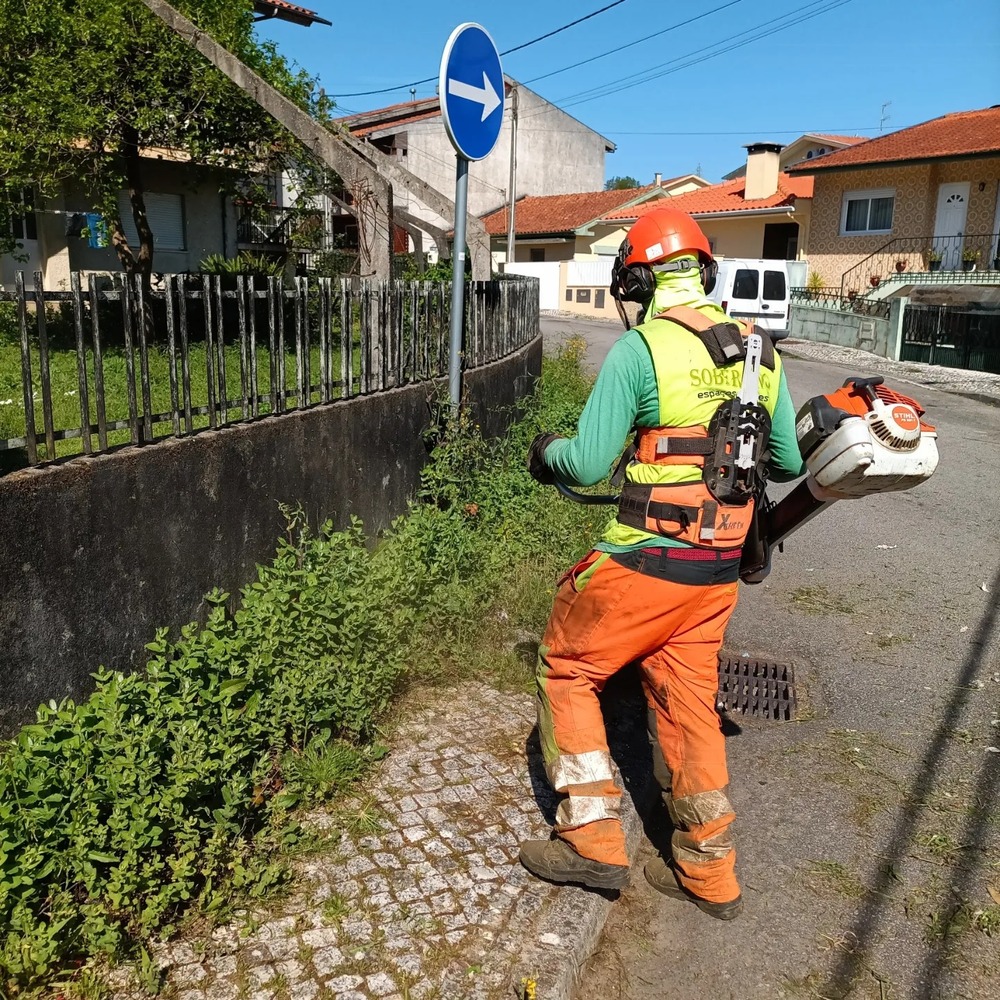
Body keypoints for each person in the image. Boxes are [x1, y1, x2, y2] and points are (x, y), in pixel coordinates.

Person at [518, 206, 806, 920]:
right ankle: (710, 874)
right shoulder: (760, 353)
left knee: (569, 668)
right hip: (712, 578)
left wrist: (545, 451)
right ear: (704, 271)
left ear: (642, 277)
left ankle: (592, 844)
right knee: (686, 704)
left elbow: (586, 464)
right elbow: (791, 461)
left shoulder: (641, 349)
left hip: (641, 564)